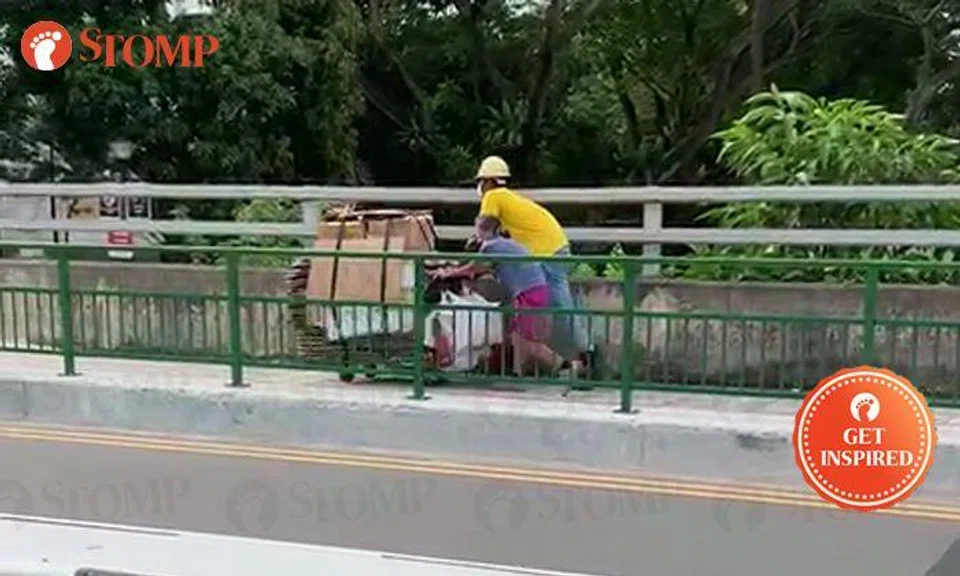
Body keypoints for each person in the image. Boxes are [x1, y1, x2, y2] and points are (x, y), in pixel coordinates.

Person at [471, 155, 591, 375]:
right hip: (554, 245)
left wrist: (474, 244)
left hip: (547, 252)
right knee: (556, 307)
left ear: (488, 181)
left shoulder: (494, 196)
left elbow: (484, 228)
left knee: (559, 306)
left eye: (481, 182)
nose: (480, 187)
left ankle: (583, 356)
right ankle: (574, 357)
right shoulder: (509, 199)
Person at [431, 218, 565, 375]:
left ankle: (565, 365)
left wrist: (446, 272)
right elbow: (486, 269)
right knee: (518, 336)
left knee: (526, 340)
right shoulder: (506, 244)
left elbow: (473, 268)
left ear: (480, 230)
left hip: (527, 292)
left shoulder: (491, 246)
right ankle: (519, 372)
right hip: (533, 289)